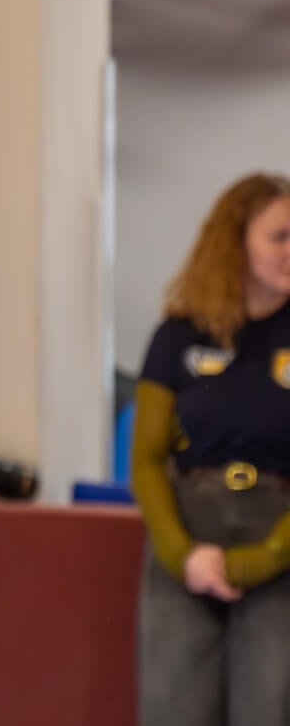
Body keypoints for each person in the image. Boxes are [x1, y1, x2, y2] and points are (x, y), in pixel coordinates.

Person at [131, 172, 290, 726]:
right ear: (235, 242)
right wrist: (183, 555)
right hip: (186, 541)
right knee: (173, 707)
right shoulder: (177, 336)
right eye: (280, 236)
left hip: (278, 547)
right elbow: (146, 461)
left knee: (269, 706)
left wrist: (264, 558)